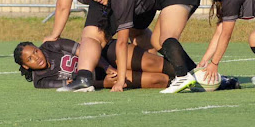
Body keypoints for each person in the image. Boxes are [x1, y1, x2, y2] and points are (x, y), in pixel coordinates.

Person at [65, 0, 201, 94]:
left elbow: (122, 42)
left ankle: (182, 76)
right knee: (157, 42)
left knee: (166, 38)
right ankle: (199, 74)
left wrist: (120, 80)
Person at [13, 37, 174, 90]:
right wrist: (103, 82)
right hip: (101, 76)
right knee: (158, 80)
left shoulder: (50, 46)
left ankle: (190, 72)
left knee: (153, 62)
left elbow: (85, 50)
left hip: (104, 55)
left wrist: (107, 66)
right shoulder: (40, 81)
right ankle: (179, 82)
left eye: (35, 51)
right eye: (30, 59)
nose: (37, 57)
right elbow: (75, 83)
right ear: (26, 66)